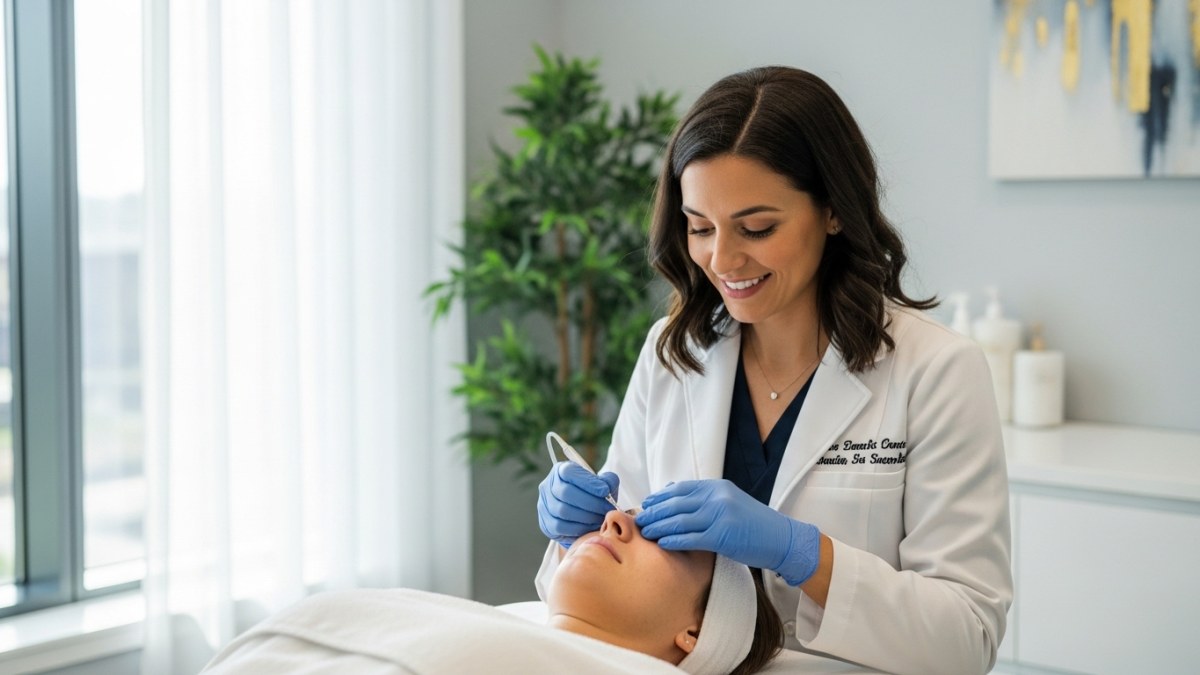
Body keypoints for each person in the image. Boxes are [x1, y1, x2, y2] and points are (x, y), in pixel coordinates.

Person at [536, 66, 1012, 675]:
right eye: (699, 227)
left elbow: (966, 643)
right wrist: (573, 535)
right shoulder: (673, 353)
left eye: (757, 228)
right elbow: (601, 607)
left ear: (834, 210)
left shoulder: (938, 372)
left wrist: (803, 555)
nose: (722, 259)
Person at [203, 510, 783, 675]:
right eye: (624, 512)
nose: (614, 523)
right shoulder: (488, 621)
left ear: (696, 634)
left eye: (667, 540)